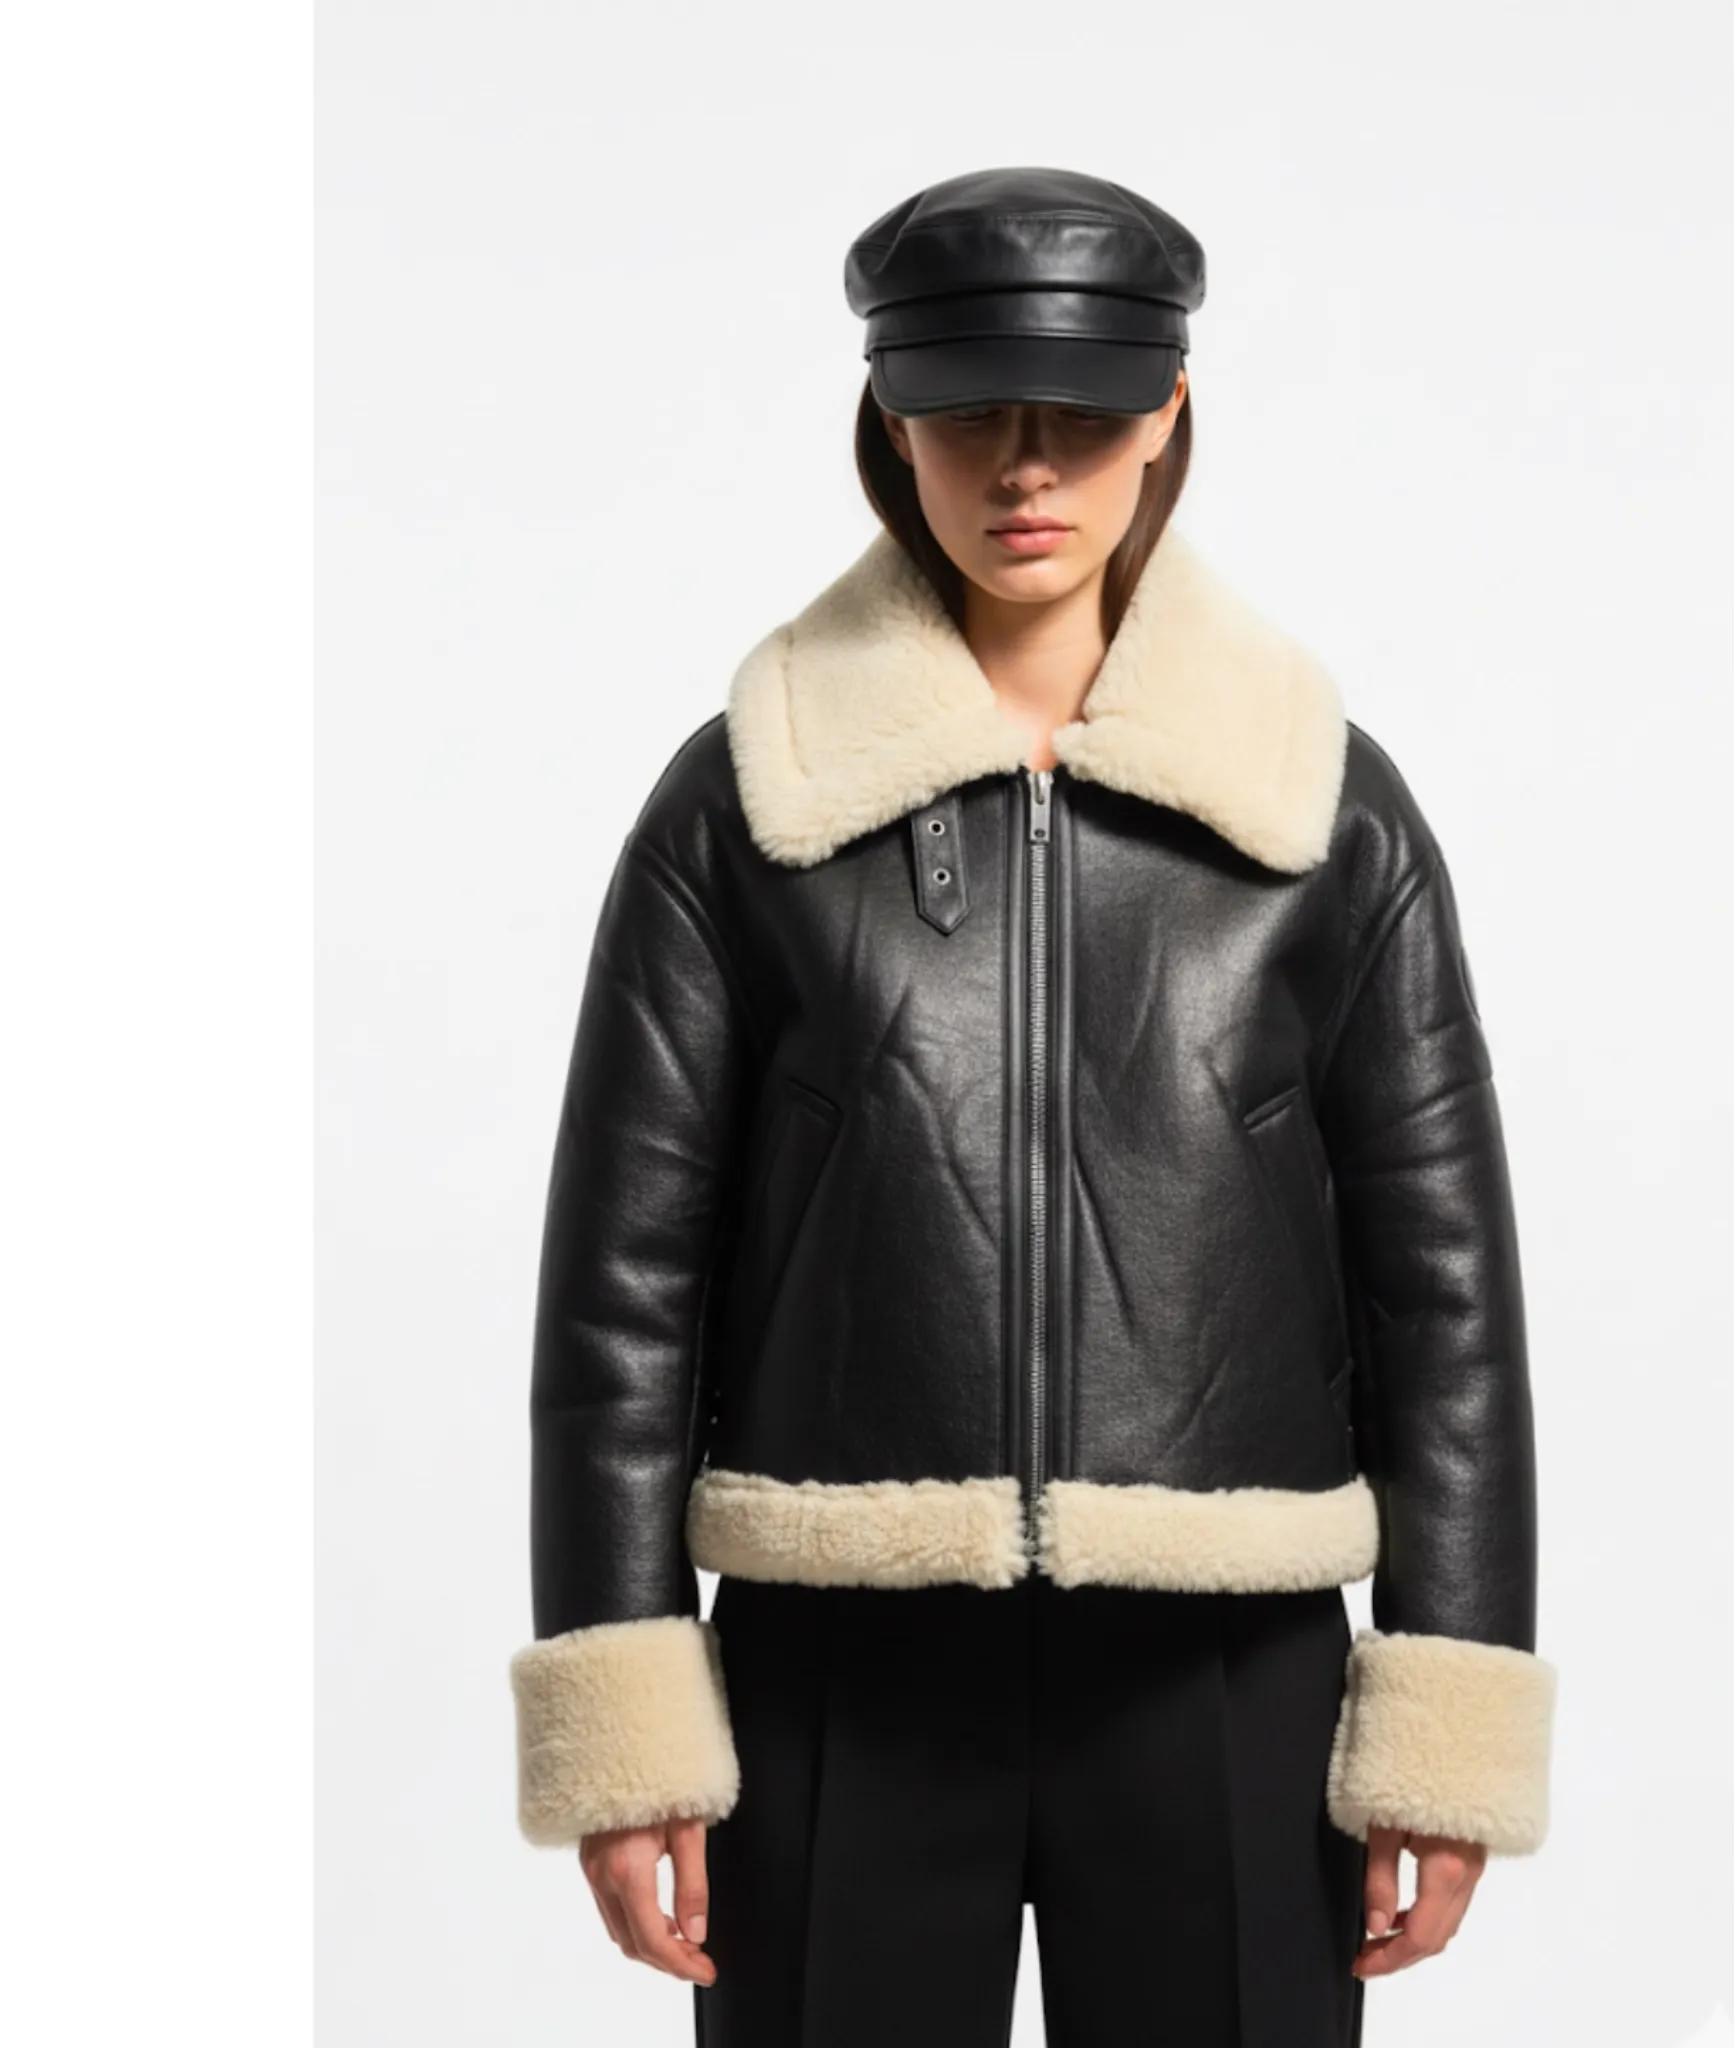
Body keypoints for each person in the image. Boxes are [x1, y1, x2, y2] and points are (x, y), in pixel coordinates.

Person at [508, 166, 1558, 2048]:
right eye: (969, 411)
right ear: (887, 420)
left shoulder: (1320, 808)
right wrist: (627, 1721)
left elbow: (1444, 1295)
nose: (1024, 467)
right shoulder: (747, 803)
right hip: (838, 1662)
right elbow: (622, 1294)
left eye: (1079, 415)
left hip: (1227, 1664)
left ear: (1168, 415)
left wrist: (1449, 1711)